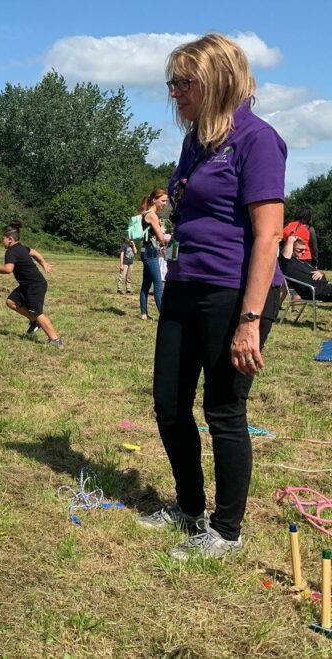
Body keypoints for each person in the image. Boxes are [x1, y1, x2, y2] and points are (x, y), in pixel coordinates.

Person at [138, 34, 286, 561]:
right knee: (168, 403)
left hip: (235, 291)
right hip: (185, 281)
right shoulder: (196, 141)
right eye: (171, 82)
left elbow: (267, 236)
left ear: (218, 79)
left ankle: (225, 531)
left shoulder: (258, 139)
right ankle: (188, 506)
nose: (174, 92)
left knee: (223, 409)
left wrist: (250, 319)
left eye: (184, 82)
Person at [0, 220, 63, 347]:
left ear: (10, 239)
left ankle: (55, 340)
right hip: (27, 285)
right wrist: (43, 263)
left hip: (34, 286)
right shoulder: (21, 248)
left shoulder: (11, 252)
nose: (2, 241)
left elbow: (8, 269)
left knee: (37, 312)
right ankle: (34, 321)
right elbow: (34, 252)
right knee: (11, 302)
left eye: (3, 239)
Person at [137, 188, 169, 320]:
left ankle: (144, 314)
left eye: (166, 201)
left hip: (147, 251)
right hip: (151, 253)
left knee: (146, 284)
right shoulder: (152, 215)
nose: (165, 204)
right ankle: (164, 315)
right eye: (163, 201)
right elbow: (160, 237)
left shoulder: (146, 213)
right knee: (158, 284)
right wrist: (168, 239)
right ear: (154, 200)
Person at [280, 234, 332, 301]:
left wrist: (320, 272)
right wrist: (292, 239)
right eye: (300, 250)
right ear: (291, 249)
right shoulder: (287, 262)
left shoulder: (303, 262)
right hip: (315, 292)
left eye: (304, 250)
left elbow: (317, 271)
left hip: (325, 288)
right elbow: (287, 249)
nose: (303, 252)